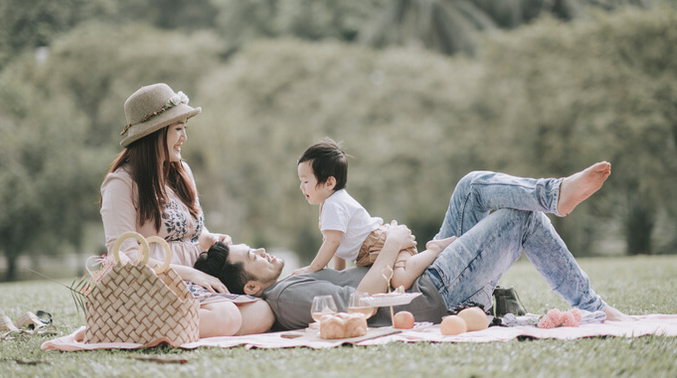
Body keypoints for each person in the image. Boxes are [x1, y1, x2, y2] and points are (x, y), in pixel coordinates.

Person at [197, 162, 631, 331]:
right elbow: (361, 306)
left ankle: (554, 194)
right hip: (434, 293)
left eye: (254, 248)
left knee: (471, 186)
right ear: (250, 288)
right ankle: (593, 306)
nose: (263, 253)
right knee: (517, 219)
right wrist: (396, 245)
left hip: (425, 275)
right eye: (252, 259)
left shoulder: (295, 278)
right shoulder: (287, 296)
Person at [100, 83, 273, 336]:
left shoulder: (181, 172)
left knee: (262, 312)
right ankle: (132, 327)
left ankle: (174, 328)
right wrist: (190, 274)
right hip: (153, 285)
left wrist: (211, 240)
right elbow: (124, 256)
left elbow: (194, 232)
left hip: (196, 280)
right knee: (227, 316)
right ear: (154, 134)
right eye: (178, 129)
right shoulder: (121, 183)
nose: (185, 138)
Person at [292, 138, 438, 290]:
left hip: (380, 246)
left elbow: (332, 243)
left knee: (400, 280)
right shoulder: (331, 203)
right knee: (392, 280)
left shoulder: (333, 205)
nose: (301, 187)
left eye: (306, 181)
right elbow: (337, 245)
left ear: (330, 183)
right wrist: (338, 274)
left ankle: (434, 250)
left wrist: (312, 268)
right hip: (374, 250)